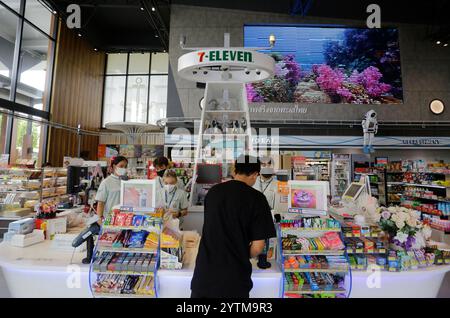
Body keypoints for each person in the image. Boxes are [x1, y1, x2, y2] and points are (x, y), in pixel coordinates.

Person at [191, 155, 276, 298]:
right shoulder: (258, 199)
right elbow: (258, 247)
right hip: (234, 279)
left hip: (204, 275)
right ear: (255, 174)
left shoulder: (213, 193)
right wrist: (242, 252)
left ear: (235, 170)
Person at [95, 156, 128, 224]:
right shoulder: (106, 182)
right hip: (110, 220)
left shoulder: (126, 182)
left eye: (125, 166)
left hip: (125, 219)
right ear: (114, 166)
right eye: (121, 166)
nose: (123, 168)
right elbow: (101, 202)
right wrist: (100, 218)